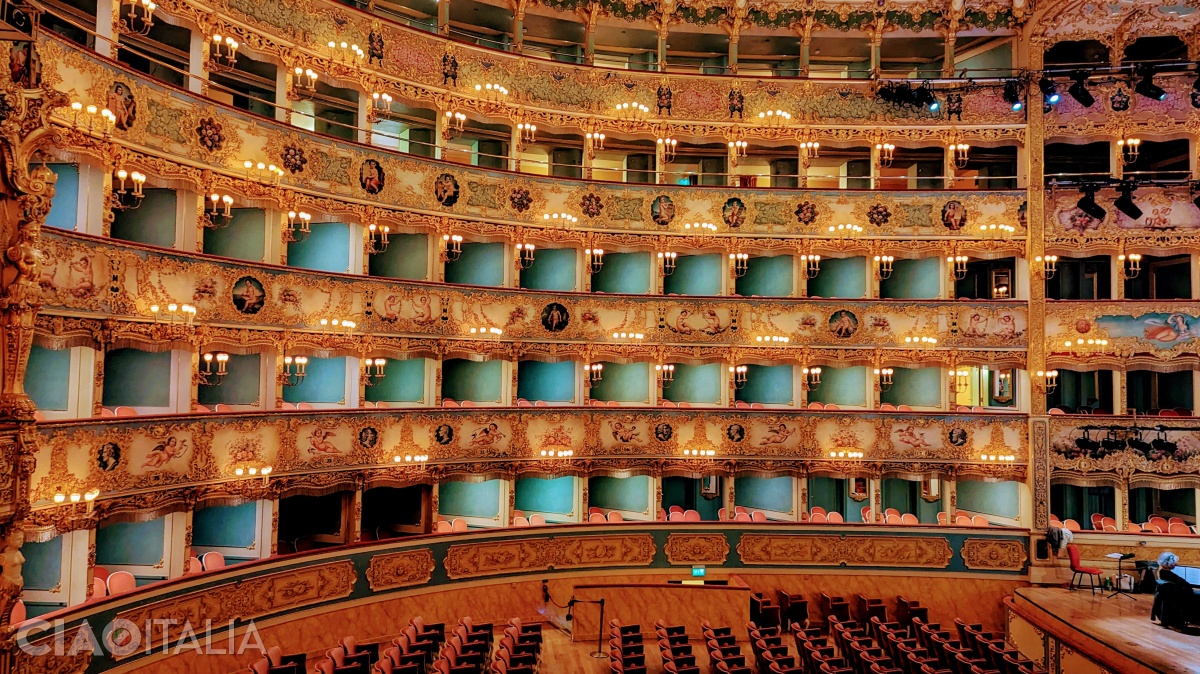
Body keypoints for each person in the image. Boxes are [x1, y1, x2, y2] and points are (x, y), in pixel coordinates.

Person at [1154, 551, 1199, 629]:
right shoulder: (1168, 574)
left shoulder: (1162, 573)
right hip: (1181, 597)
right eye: (1174, 562)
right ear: (1169, 563)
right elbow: (1186, 585)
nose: (1176, 564)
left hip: (1178, 594)